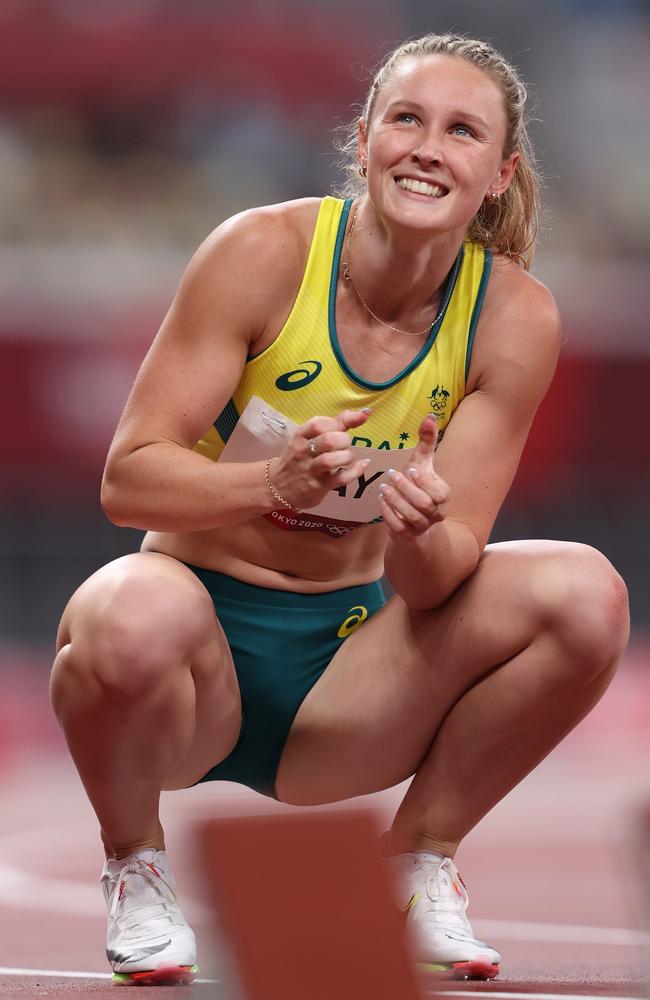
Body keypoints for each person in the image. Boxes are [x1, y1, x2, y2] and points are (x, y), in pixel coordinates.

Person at [50, 32, 629, 987]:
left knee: (586, 594)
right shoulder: (262, 252)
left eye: (460, 132)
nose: (427, 149)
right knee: (120, 609)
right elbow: (128, 480)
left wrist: (417, 528)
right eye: (405, 119)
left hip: (350, 685)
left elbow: (442, 575)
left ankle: (416, 864)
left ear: (498, 174)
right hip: (191, 672)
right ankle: (137, 867)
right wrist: (268, 484)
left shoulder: (516, 318)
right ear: (362, 142)